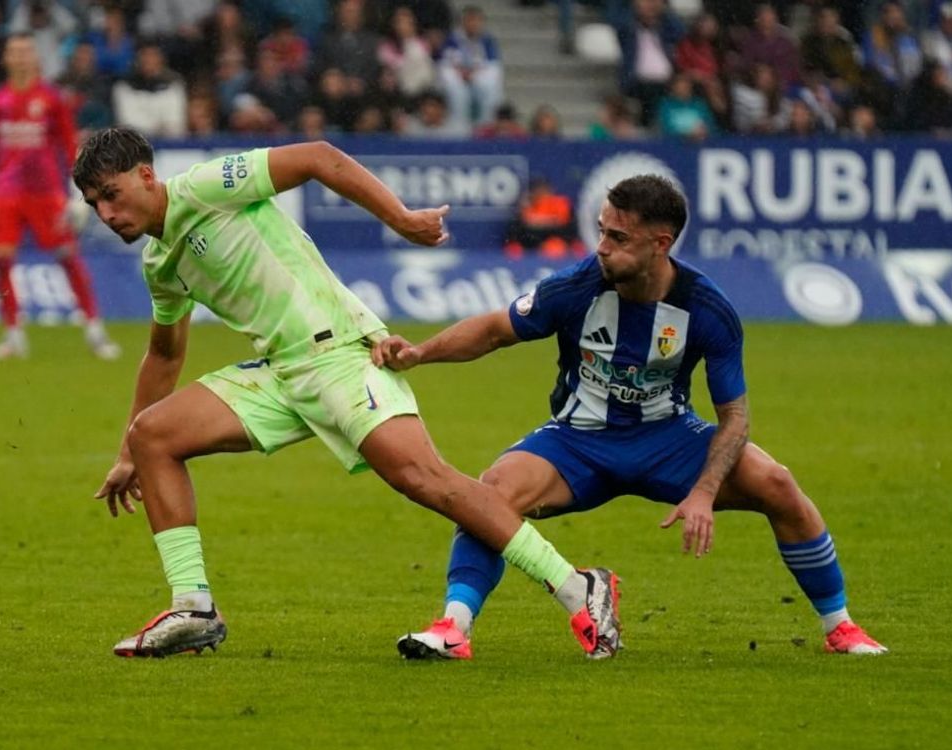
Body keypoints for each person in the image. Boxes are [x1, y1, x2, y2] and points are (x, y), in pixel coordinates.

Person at [73, 127, 622, 659]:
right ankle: (192, 608)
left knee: (426, 480)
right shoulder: (158, 263)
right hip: (281, 372)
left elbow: (317, 156)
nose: (105, 213)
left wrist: (402, 220)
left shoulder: (205, 186)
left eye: (111, 195)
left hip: (337, 352)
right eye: (94, 203)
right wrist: (127, 455)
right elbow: (165, 356)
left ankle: (579, 587)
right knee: (152, 437)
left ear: (146, 176)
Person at [374, 174, 887, 660]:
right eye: (601, 231)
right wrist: (420, 354)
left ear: (660, 244)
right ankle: (454, 628)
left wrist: (704, 491)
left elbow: (735, 416)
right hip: (578, 440)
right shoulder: (576, 287)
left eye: (618, 237)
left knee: (777, 484)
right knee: (489, 493)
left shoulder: (708, 309)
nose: (601, 247)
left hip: (669, 439)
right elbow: (492, 330)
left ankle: (839, 627)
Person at [0, 33, 119, 361]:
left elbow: (69, 147)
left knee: (68, 257)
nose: (21, 57)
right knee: (1, 260)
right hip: (8, 193)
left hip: (46, 192)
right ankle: (13, 335)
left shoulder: (52, 99)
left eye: (26, 52)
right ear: (6, 58)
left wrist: (78, 193)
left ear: (35, 58)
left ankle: (95, 332)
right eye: (14, 51)